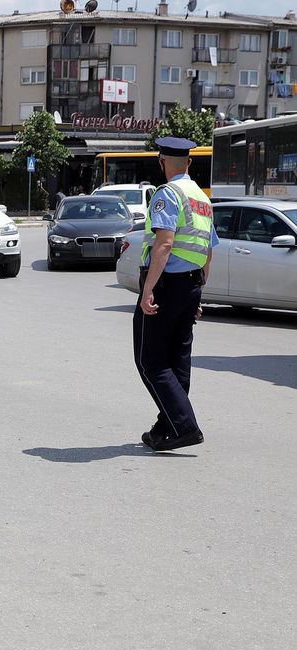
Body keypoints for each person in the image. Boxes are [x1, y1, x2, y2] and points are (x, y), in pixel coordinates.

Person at [134, 137, 219, 453]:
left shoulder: (168, 193)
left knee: (150, 361)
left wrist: (148, 289)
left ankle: (185, 427)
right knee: (178, 361)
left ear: (161, 162)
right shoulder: (202, 199)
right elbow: (208, 251)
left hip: (166, 285)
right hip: (191, 284)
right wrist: (198, 294)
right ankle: (166, 427)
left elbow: (165, 243)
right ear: (189, 162)